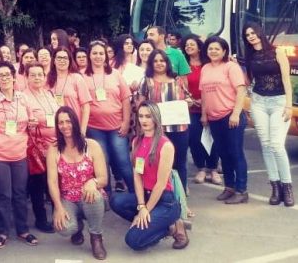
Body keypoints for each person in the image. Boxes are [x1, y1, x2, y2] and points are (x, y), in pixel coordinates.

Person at [110, 102, 189, 251]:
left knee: (133, 240)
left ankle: (172, 227)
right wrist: (141, 206)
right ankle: (153, 223)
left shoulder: (165, 145)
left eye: (148, 116)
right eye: (141, 116)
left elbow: (160, 184)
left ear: (156, 118)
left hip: (164, 200)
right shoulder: (136, 141)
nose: (144, 120)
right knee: (116, 201)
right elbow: (137, 176)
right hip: (145, 196)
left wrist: (146, 209)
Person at [0, 62, 38, 249]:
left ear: (14, 77)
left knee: (20, 193)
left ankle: (23, 230)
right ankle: (2, 232)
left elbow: (31, 124)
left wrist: (32, 124)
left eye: (7, 75)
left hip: (20, 154)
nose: (4, 78)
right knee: (3, 195)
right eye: (1, 75)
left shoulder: (23, 98)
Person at [46, 107, 108, 260]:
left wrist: (93, 182)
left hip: (89, 195)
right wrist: (58, 208)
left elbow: (104, 178)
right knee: (64, 227)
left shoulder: (91, 145)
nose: (65, 126)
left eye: (68, 121)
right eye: (61, 122)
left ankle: (96, 237)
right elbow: (52, 182)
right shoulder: (54, 149)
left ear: (75, 122)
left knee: (94, 196)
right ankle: (77, 227)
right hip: (67, 198)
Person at [243, 23, 294, 206]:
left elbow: (286, 80)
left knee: (277, 145)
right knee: (265, 144)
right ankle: (275, 187)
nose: (251, 36)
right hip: (259, 102)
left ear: (260, 33)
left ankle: (287, 187)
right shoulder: (250, 56)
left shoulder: (277, 52)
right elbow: (249, 81)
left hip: (279, 102)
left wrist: (289, 106)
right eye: (247, 34)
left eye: (253, 33)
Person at [201, 36, 248, 204]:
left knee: (235, 153)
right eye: (210, 48)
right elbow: (204, 93)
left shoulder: (231, 67)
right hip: (214, 118)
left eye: (217, 49)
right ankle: (229, 187)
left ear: (224, 51)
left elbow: (241, 91)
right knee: (223, 154)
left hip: (231, 116)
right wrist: (204, 114)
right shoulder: (205, 68)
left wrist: (236, 113)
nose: (213, 51)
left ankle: (241, 191)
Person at [137, 50, 193, 191]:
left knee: (180, 163)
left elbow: (188, 98)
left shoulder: (177, 80)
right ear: (151, 63)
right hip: (157, 130)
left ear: (167, 63)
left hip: (179, 128)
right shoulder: (146, 81)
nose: (159, 63)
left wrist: (189, 102)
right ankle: (161, 194)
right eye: (155, 61)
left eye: (162, 60)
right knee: (159, 163)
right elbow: (141, 105)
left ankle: (181, 196)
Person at [84, 41, 133, 194]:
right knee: (102, 163)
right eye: (94, 53)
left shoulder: (115, 74)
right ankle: (107, 197)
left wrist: (126, 122)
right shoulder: (82, 76)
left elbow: (126, 99)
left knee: (123, 161)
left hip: (117, 127)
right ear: (89, 55)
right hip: (94, 128)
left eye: (101, 53)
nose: (98, 56)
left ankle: (136, 194)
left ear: (106, 56)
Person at [22, 63, 60, 233]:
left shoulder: (49, 93)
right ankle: (41, 219)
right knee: (37, 185)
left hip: (55, 146)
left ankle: (58, 215)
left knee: (55, 183)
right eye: (33, 75)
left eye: (40, 74)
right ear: (27, 77)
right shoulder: (23, 97)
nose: (37, 78)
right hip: (37, 149)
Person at [182, 35, 221, 185]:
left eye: (192, 44)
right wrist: (190, 100)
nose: (188, 47)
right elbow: (181, 86)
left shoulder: (208, 64)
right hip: (191, 108)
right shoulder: (183, 65)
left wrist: (203, 101)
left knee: (212, 138)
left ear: (199, 47)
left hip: (210, 105)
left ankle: (213, 169)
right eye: (186, 45)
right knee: (194, 138)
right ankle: (201, 168)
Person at [47, 47, 91, 134]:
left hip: (74, 125)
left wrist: (82, 130)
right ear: (54, 61)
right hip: (55, 127)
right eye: (59, 58)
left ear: (70, 61)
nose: (62, 60)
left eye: (65, 58)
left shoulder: (77, 78)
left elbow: (86, 106)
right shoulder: (47, 80)